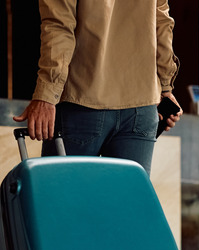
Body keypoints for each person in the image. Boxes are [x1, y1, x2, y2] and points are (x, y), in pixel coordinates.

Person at [13, 0, 183, 175]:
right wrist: (165, 87)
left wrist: (46, 95)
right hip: (141, 108)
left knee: (63, 199)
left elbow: (58, 27)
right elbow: (162, 24)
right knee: (127, 201)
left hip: (82, 102)